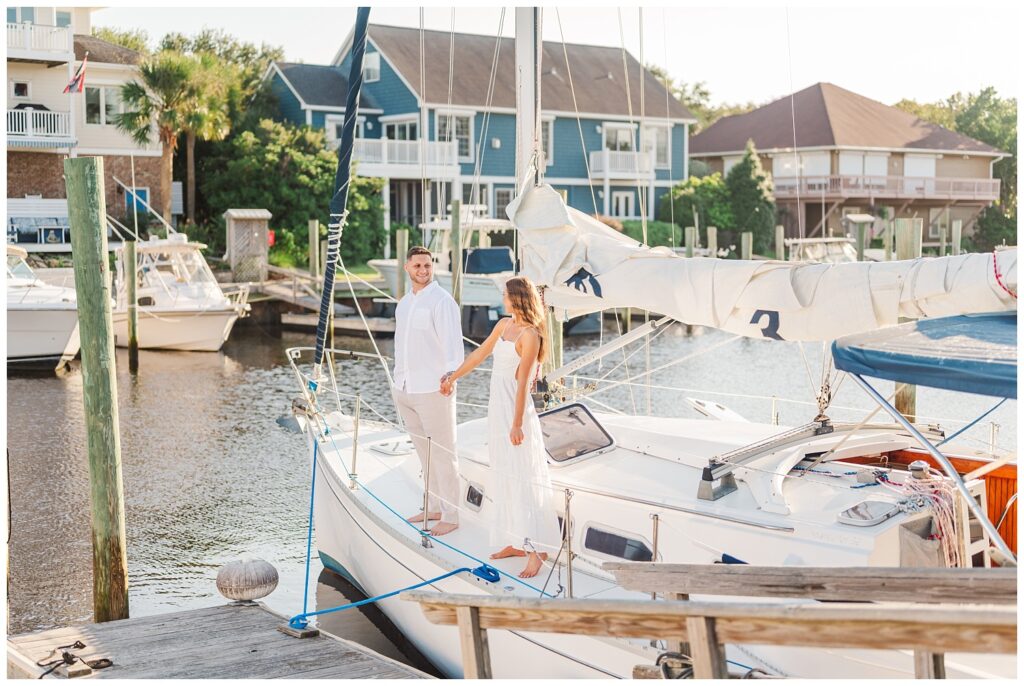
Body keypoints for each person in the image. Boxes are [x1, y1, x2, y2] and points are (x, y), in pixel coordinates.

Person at [441, 276, 560, 578]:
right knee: (505, 475)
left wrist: (517, 423)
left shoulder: (531, 335)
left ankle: (537, 551)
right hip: (497, 408)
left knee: (522, 476)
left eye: (505, 294)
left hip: (514, 410)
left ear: (517, 297)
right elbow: (480, 355)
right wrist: (453, 377)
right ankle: (518, 542)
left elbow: (523, 384)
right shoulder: (503, 326)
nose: (502, 297)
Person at [393, 246, 464, 536]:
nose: (423, 270)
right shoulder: (404, 303)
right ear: (407, 268)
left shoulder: (442, 301)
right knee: (424, 453)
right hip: (405, 387)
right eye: (418, 265)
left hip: (434, 389)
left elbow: (453, 346)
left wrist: (451, 377)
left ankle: (451, 514)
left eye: (428, 265)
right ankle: (433, 505)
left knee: (443, 453)